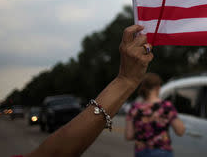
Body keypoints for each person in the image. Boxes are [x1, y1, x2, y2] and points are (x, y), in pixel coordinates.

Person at [15, 25, 154, 157]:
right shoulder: (166, 108)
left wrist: (126, 80)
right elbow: (56, 153)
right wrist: (126, 80)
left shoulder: (136, 109)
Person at [125, 73, 185, 157]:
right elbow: (180, 131)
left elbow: (129, 136)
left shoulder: (134, 108)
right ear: (158, 87)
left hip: (141, 152)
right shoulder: (166, 106)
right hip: (162, 151)